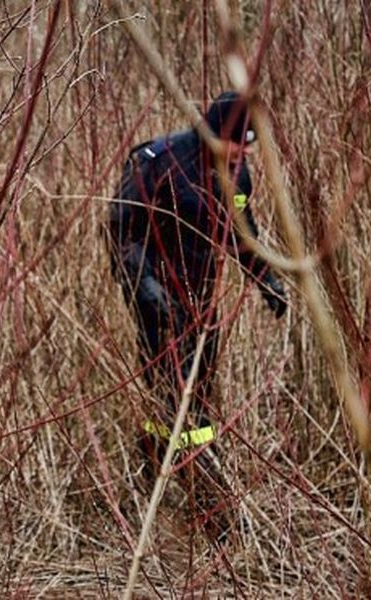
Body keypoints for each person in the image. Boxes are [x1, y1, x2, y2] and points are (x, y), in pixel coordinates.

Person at [107, 91, 288, 542]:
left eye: (247, 146)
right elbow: (120, 230)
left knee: (201, 389)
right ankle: (180, 486)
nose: (242, 153)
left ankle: (180, 467)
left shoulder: (236, 175)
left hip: (203, 302)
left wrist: (266, 280)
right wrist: (143, 285)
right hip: (155, 298)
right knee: (171, 390)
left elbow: (242, 237)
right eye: (235, 143)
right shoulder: (161, 161)